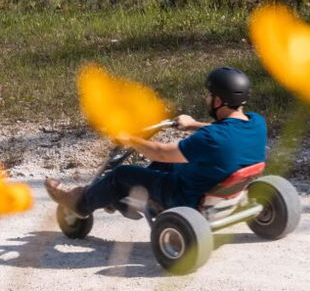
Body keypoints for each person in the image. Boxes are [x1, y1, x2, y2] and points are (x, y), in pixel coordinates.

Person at [46, 66, 265, 217]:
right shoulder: (256, 123)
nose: (206, 99)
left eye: (209, 95)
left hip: (186, 197)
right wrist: (192, 124)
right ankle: (122, 196)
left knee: (121, 174)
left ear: (218, 100)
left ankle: (80, 203)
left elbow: (160, 152)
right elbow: (224, 133)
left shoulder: (211, 139)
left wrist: (129, 138)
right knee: (167, 165)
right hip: (217, 186)